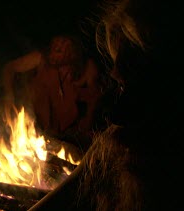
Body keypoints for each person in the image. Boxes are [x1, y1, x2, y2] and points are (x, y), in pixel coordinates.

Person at [28, 0, 182, 210]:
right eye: (121, 86)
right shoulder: (116, 144)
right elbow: (63, 198)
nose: (117, 115)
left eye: (144, 89)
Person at [2, 34, 104, 151]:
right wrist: (9, 96)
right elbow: (9, 68)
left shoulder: (87, 68)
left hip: (71, 134)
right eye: (55, 45)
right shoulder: (41, 59)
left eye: (61, 47)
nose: (55, 49)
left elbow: (94, 98)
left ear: (73, 52)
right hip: (39, 128)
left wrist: (88, 119)